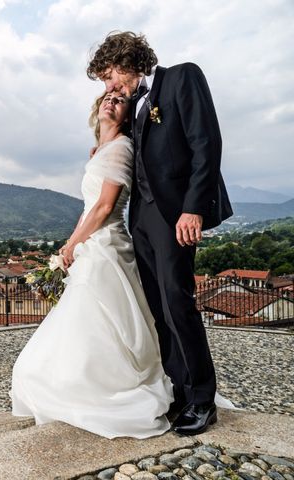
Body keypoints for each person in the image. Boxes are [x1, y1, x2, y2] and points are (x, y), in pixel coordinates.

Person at [86, 31, 233, 435]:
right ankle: (179, 392)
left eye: (108, 75)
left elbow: (207, 144)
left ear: (125, 61)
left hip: (175, 216)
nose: (108, 86)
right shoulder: (134, 106)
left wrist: (193, 209)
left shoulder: (182, 77)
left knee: (177, 302)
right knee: (157, 310)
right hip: (142, 222)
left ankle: (203, 399)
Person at [10, 91, 175, 439]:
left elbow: (103, 208)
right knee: (86, 316)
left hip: (107, 244)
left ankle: (99, 386)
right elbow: (88, 208)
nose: (111, 101)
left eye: (119, 100)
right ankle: (78, 381)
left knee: (103, 315)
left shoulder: (121, 148)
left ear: (127, 115)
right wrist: (70, 243)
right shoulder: (102, 151)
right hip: (92, 243)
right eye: (106, 98)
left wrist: (73, 243)